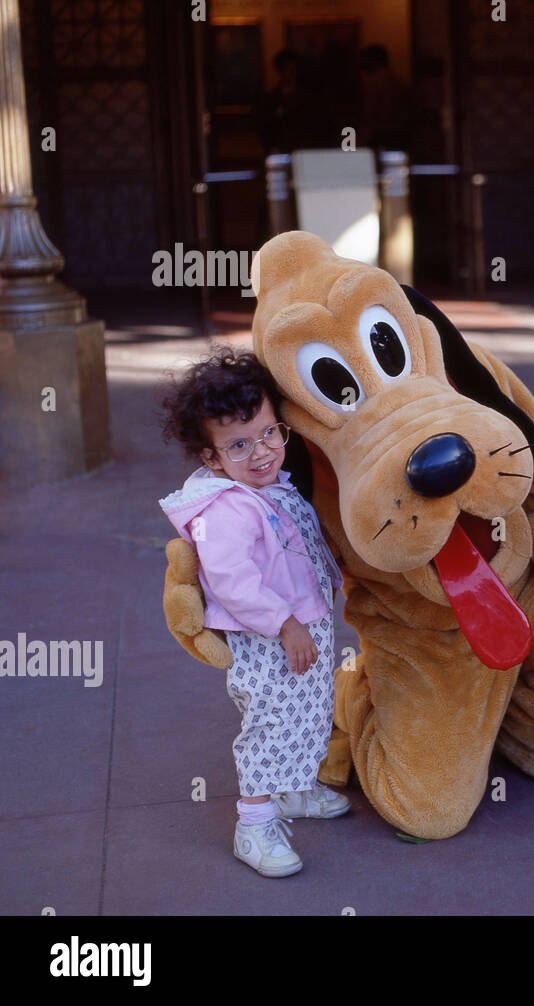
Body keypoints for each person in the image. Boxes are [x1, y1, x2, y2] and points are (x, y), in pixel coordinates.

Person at [159, 348, 347, 878]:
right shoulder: (226, 509)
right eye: (238, 445)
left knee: (309, 712)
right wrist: (286, 625)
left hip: (300, 625)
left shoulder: (265, 485)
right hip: (268, 637)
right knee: (270, 723)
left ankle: (291, 791)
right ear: (211, 458)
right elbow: (233, 582)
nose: (262, 452)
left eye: (269, 433)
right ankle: (255, 823)